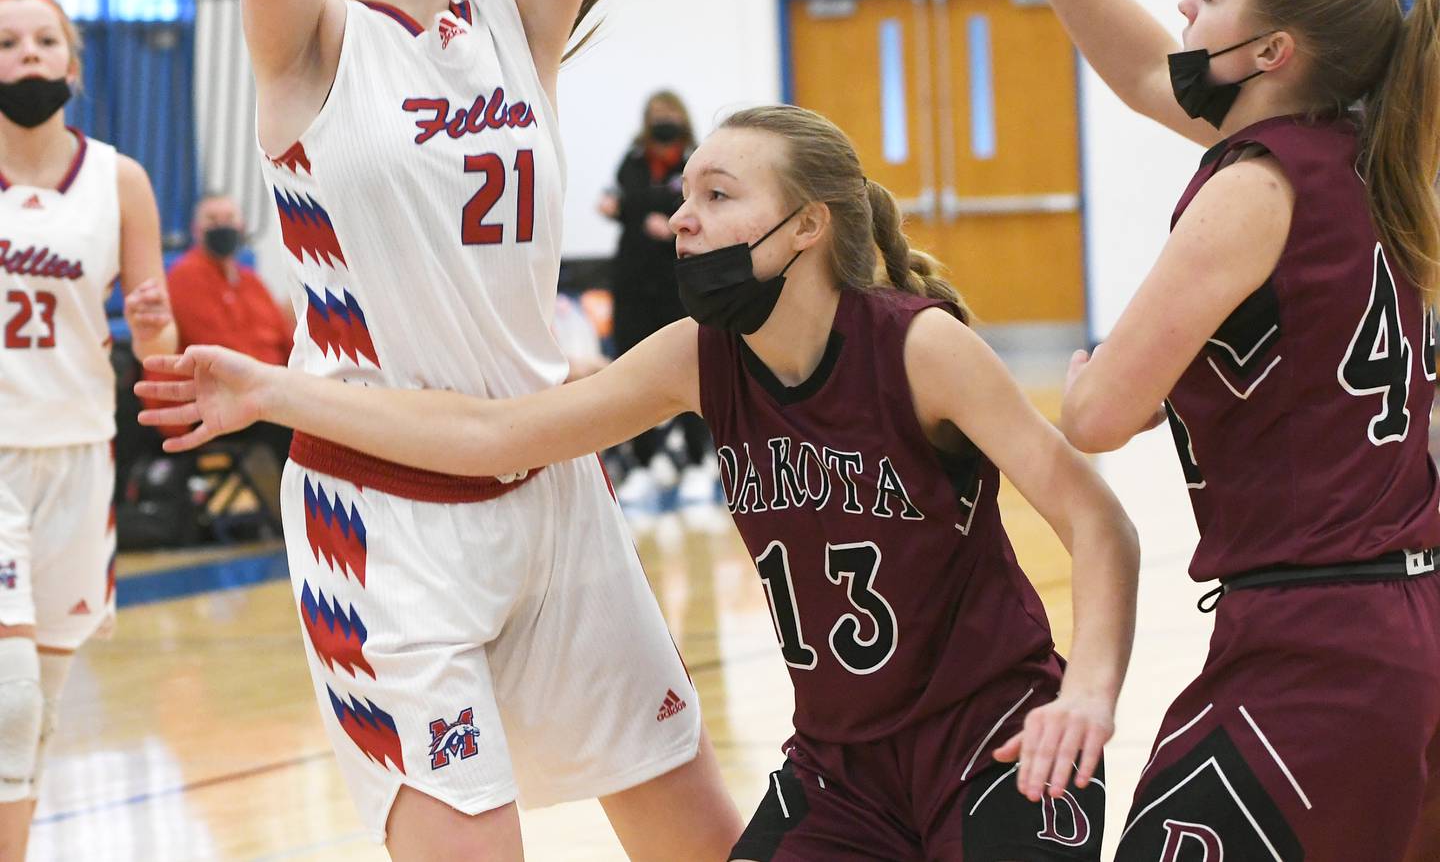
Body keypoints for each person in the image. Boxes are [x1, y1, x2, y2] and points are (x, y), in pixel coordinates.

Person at [141, 103, 1142, 861]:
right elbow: (494, 434)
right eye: (684, 196)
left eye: (717, 196)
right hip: (842, 769)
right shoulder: (695, 357)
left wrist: (1088, 696)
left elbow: (1098, 523)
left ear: (804, 228)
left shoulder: (921, 349)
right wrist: (276, 394)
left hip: (994, 743)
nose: (682, 218)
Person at [205, 0, 739, 856]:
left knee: (707, 839)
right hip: (381, 512)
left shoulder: (519, 25)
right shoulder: (312, 47)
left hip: (551, 480)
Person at [966, 0, 1440, 861]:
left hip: (1318, 648)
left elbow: (1093, 416)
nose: (1188, 3)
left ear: (1272, 54)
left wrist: (1089, 373)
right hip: (1386, 629)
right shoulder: (1369, 161)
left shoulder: (1250, 190)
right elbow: (1143, 69)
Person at [0, 0, 177, 860]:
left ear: (73, 64)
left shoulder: (120, 180)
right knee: (7, 695)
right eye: (6, 42)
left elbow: (158, 350)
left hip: (79, 455)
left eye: (43, 41)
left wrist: (155, 329)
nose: (25, 55)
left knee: (39, 714)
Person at [599, 90, 716, 503]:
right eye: (656, 114)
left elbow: (678, 203)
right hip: (632, 280)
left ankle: (701, 459)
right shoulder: (632, 160)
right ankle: (646, 462)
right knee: (632, 367)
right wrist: (637, 208)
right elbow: (616, 200)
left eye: (669, 113)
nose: (662, 119)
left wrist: (640, 209)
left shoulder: (697, 160)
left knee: (690, 364)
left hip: (678, 279)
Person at [167, 192, 294, 465]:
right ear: (196, 230)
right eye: (212, 219)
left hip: (267, 390)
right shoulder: (184, 277)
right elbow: (216, 349)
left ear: (242, 226)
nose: (222, 226)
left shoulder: (251, 281)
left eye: (229, 219)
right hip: (218, 399)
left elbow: (285, 339)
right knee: (299, 423)